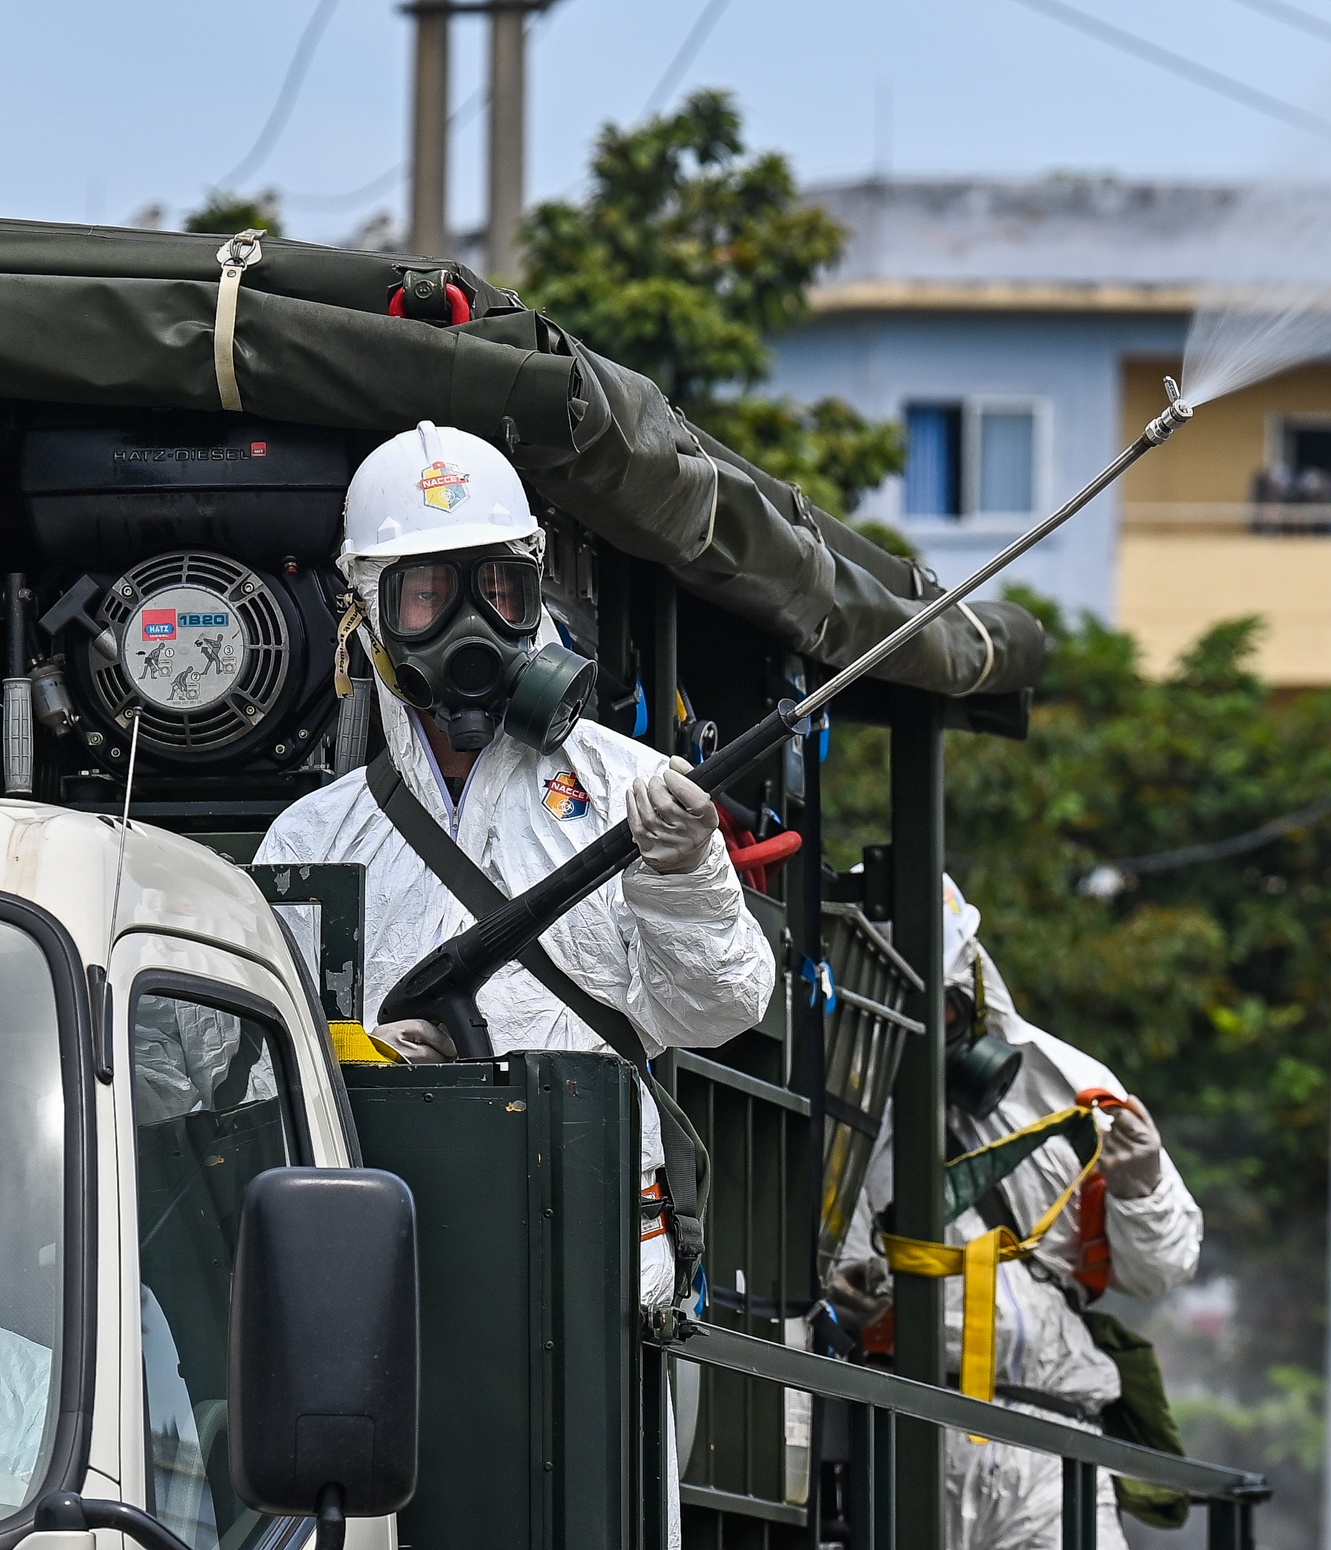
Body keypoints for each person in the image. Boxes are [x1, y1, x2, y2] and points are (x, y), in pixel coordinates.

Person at [257, 421, 776, 1549]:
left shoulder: (632, 789)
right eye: (430, 595)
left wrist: (687, 870)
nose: (476, 624)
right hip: (373, 1273)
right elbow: (249, 1072)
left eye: (501, 584)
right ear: (367, 614)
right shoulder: (315, 832)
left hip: (594, 1258)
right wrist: (365, 1052)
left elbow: (722, 1008)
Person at [830, 877, 1203, 1550]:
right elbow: (826, 1276)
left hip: (1052, 1437)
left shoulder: (1068, 1089)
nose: (928, 1029)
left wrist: (1142, 1186)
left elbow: (1162, 1271)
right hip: (908, 1428)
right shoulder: (847, 1115)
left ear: (973, 982)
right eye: (906, 1010)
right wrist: (846, 1290)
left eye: (941, 1009)